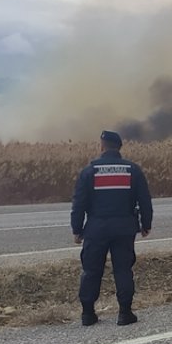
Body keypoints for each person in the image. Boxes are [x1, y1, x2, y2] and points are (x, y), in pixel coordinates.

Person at [71, 130, 153, 326]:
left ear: (102, 146)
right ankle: (125, 314)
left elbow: (79, 204)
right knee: (123, 270)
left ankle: (88, 314)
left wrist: (77, 229)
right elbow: (145, 201)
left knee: (91, 270)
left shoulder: (89, 171)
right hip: (124, 229)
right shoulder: (132, 170)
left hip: (96, 229)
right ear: (119, 147)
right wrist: (146, 225)